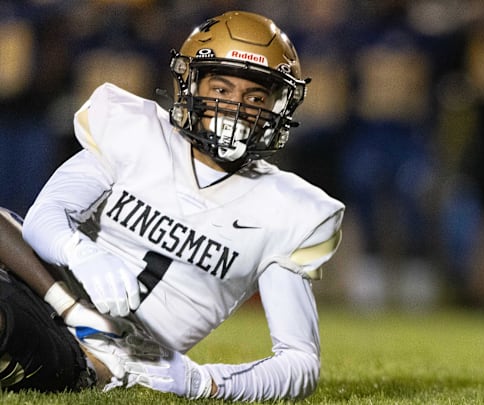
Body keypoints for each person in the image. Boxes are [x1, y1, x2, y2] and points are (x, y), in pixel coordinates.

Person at [0, 10, 344, 401]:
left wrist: (207, 382)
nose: (235, 107)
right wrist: (80, 256)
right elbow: (43, 218)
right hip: (49, 287)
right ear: (191, 87)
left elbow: (300, 361)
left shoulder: (291, 209)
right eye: (221, 89)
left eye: (254, 96)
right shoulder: (137, 130)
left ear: (278, 106)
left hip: (105, 358)